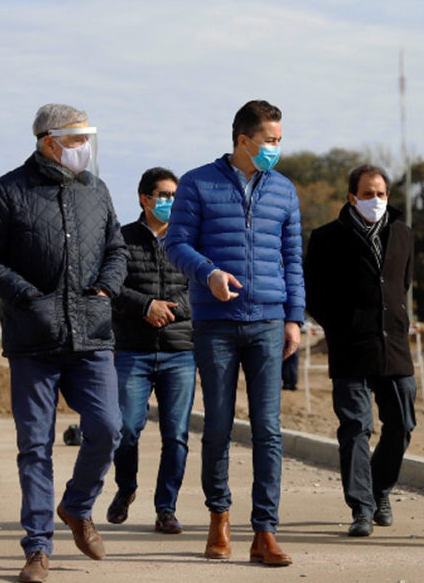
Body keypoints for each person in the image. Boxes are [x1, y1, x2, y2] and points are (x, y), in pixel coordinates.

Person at [0, 103, 128, 583]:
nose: (84, 149)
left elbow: (116, 248)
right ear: (48, 141)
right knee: (35, 445)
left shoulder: (96, 191)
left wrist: (105, 290)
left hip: (92, 335)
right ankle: (37, 549)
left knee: (108, 428)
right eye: (76, 140)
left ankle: (77, 506)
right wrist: (26, 295)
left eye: (86, 140)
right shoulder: (9, 191)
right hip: (34, 339)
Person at [165, 99, 304, 567]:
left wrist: (293, 318)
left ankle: (265, 531)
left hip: (268, 321)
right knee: (219, 426)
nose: (276, 149)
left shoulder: (284, 191)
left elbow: (292, 260)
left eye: (280, 141)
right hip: (215, 324)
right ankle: (219, 519)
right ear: (243, 140)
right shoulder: (197, 183)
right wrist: (208, 274)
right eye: (269, 141)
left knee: (268, 429)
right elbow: (176, 243)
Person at [305, 164, 416, 538]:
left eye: (381, 193)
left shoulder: (403, 234)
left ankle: (380, 489)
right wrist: (340, 325)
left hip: (395, 346)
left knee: (401, 425)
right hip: (350, 347)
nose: (376, 200)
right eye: (368, 194)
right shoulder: (327, 238)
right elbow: (314, 292)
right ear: (352, 197)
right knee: (355, 427)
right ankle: (362, 507)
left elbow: (402, 285)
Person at [105, 167, 195, 534]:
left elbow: (200, 286)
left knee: (176, 434)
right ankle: (126, 489)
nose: (171, 202)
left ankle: (166, 508)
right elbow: (110, 286)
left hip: (180, 351)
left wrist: (169, 309)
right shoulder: (120, 239)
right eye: (164, 195)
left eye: (175, 195)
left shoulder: (189, 238)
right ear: (145, 198)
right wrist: (145, 306)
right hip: (133, 351)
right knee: (125, 428)